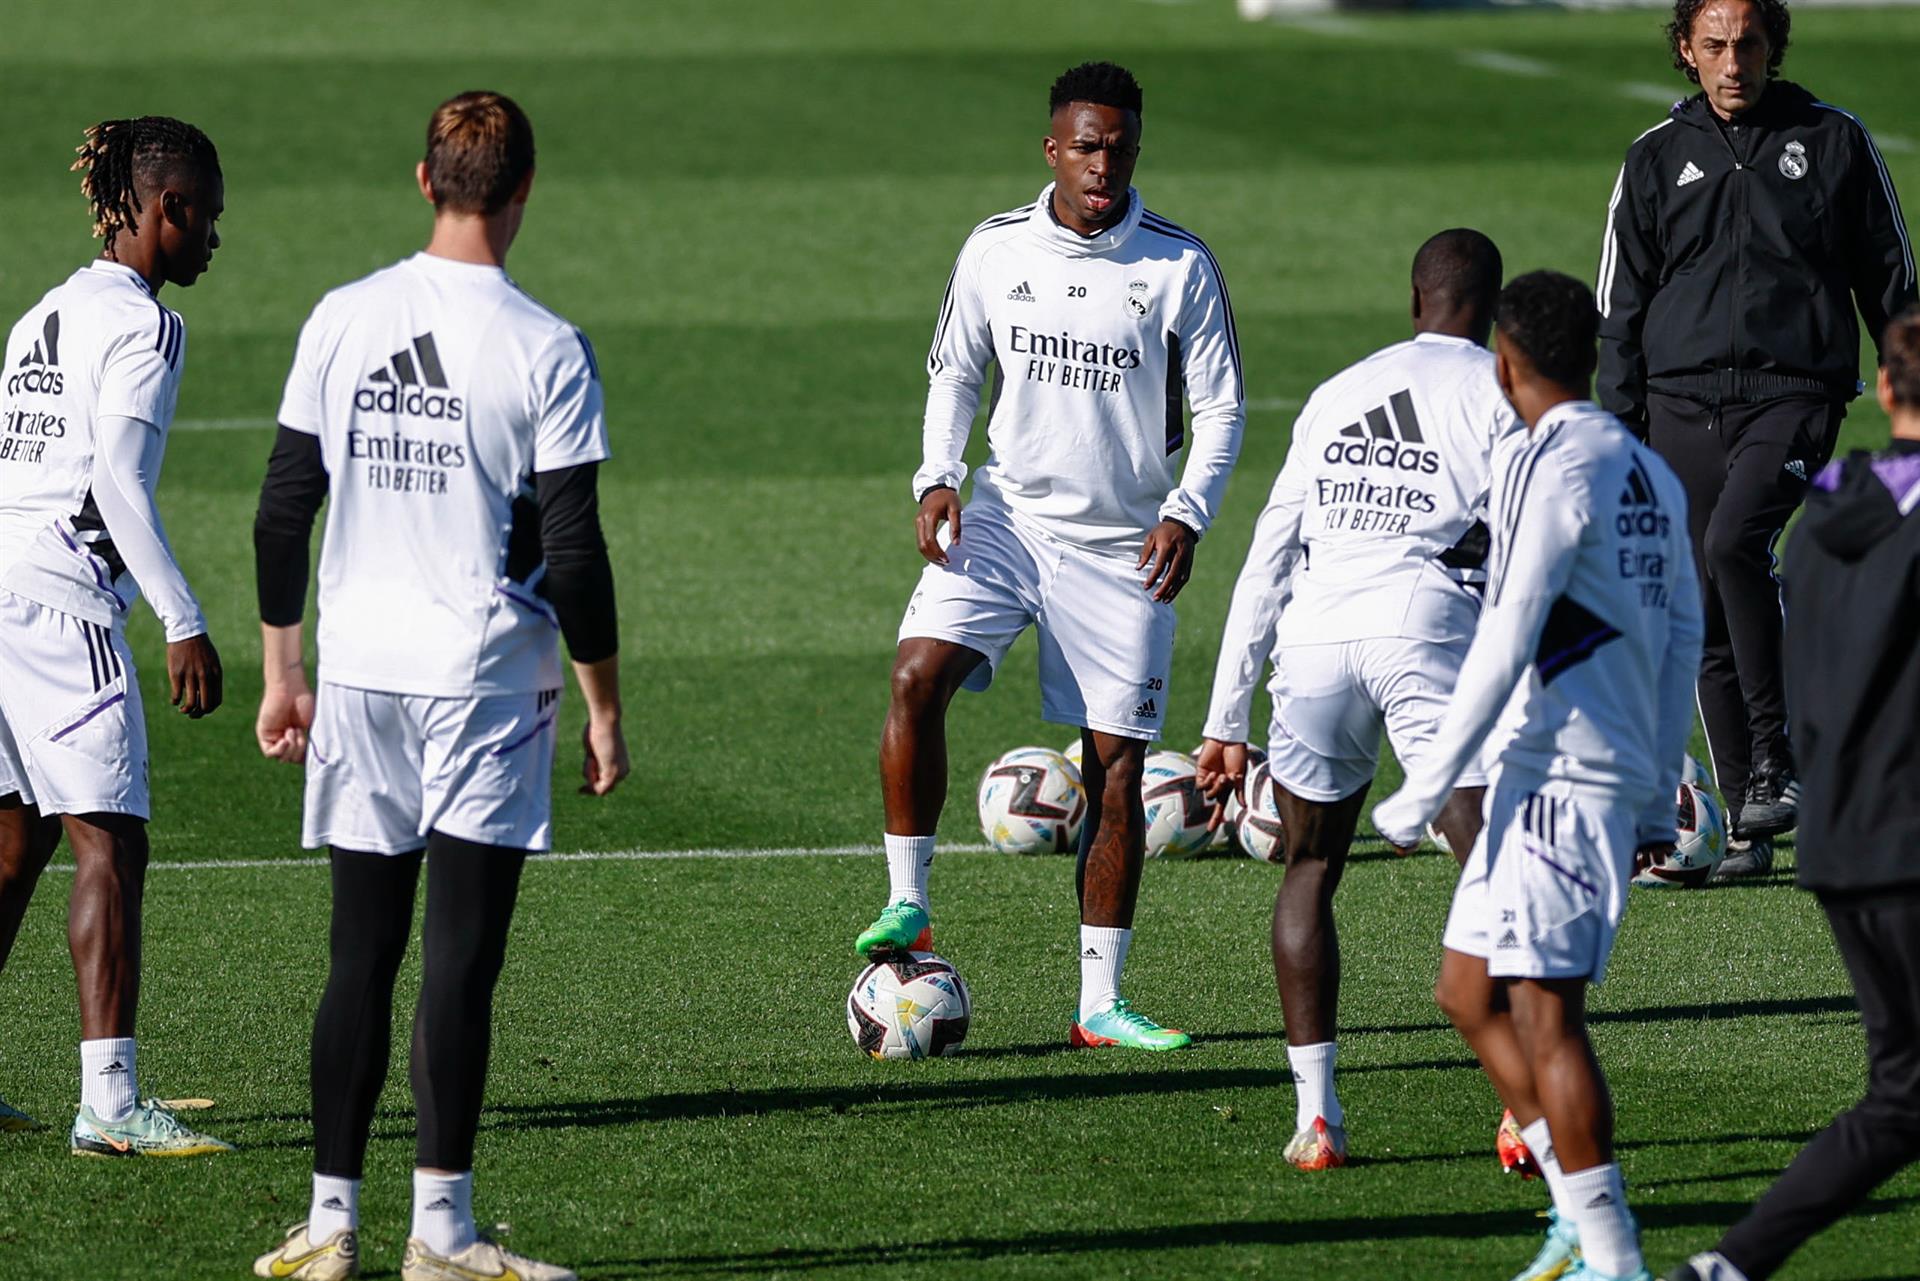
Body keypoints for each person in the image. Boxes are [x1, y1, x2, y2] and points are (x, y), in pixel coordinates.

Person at [249, 91, 626, 1281]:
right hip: (486, 687)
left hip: (358, 678)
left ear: (424, 182)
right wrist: (605, 705)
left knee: (358, 953)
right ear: (523, 193)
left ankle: (325, 1226)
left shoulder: (342, 317)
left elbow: (279, 514)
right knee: (461, 957)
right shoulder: (545, 345)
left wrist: (285, 672)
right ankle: (443, 1237)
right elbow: (574, 552)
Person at [854, 60, 1244, 1052]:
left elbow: (1222, 409)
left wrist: (1189, 514)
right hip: (1007, 519)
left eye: (1118, 145)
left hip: (1124, 548)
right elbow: (954, 370)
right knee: (914, 675)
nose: (1101, 162)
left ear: (1134, 150)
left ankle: (1098, 1005)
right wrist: (935, 474)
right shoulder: (994, 248)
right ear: (1052, 150)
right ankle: (909, 905)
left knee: (1114, 769)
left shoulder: (1179, 266)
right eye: (1085, 145)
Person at [1375, 270, 1704, 1281]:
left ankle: (1615, 1261)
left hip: (1562, 775)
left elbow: (1511, 626)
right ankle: (1575, 1209)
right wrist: (1658, 786)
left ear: (1507, 362)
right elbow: (1685, 632)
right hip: (1561, 773)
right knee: (1466, 991)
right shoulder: (1648, 469)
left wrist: (1425, 788)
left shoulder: (1543, 462)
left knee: (1546, 1014)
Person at [1194, 229, 1519, 1170]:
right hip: (1423, 630)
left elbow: (1267, 556)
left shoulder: (1337, 392)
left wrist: (1224, 720)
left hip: (1316, 636)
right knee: (1490, 867)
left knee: (1310, 868)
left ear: (1415, 300)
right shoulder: (1503, 392)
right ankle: (1519, 1108)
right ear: (1490, 310)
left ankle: (1318, 1118)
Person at [1596, 0, 1915, 875]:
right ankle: (1746, 820)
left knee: (1736, 540)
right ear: (1686, 52)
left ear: (1773, 46)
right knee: (1700, 599)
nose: (1734, 63)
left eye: (1749, 45)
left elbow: (1892, 284)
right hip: (1676, 405)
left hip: (1794, 394)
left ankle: (1782, 760)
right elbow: (1619, 310)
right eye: (1715, 47)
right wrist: (1620, 438)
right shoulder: (1654, 158)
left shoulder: (1834, 142)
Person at [1666, 307, 1920, 1281]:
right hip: (1909, 838)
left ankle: (1726, 1269)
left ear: (1886, 391)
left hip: (1842, 846)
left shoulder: (1824, 513)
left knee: (1903, 1099)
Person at [0, 116, 230, 1156]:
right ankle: (110, 1101)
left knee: (15, 838)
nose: (217, 240)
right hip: (61, 599)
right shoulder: (146, 326)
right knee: (111, 836)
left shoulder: (41, 315)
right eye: (210, 218)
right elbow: (114, 483)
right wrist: (183, 618)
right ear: (166, 211)